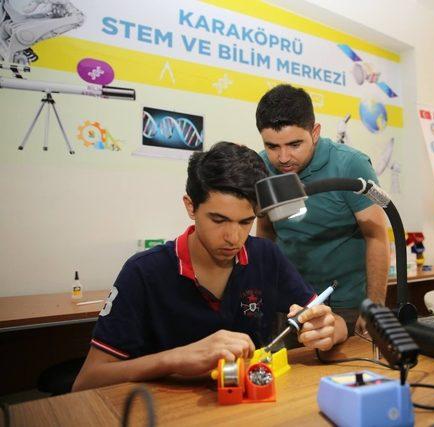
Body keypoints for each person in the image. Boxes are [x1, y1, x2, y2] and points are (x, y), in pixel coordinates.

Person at [72, 142, 347, 392]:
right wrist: (177, 358)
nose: (233, 238)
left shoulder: (265, 256)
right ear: (191, 207)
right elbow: (87, 380)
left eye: (245, 222)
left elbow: (336, 325)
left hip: (249, 406)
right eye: (218, 220)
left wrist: (327, 330)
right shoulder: (144, 272)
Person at [255, 84, 389, 335]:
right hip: (290, 304)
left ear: (315, 133)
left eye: (294, 144)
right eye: (272, 146)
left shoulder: (351, 165)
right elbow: (265, 231)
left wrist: (375, 307)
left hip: (346, 305)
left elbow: (376, 235)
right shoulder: (262, 166)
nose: (283, 158)